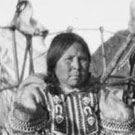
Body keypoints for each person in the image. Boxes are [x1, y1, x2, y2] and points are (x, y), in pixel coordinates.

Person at [5, 32, 135, 135]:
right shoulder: (40, 94)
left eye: (83, 59)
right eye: (69, 59)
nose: (76, 66)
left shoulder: (100, 95)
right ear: (54, 63)